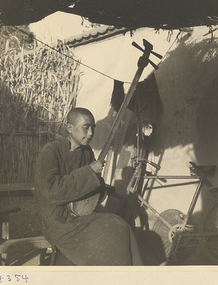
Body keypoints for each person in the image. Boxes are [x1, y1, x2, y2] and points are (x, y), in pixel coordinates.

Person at [35, 107, 143, 266]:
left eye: (93, 127)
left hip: (80, 216)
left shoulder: (87, 152)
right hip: (57, 221)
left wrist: (99, 184)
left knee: (121, 226)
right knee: (113, 230)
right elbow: (52, 192)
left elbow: (90, 192)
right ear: (69, 128)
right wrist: (89, 171)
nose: (91, 133)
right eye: (86, 127)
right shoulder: (51, 150)